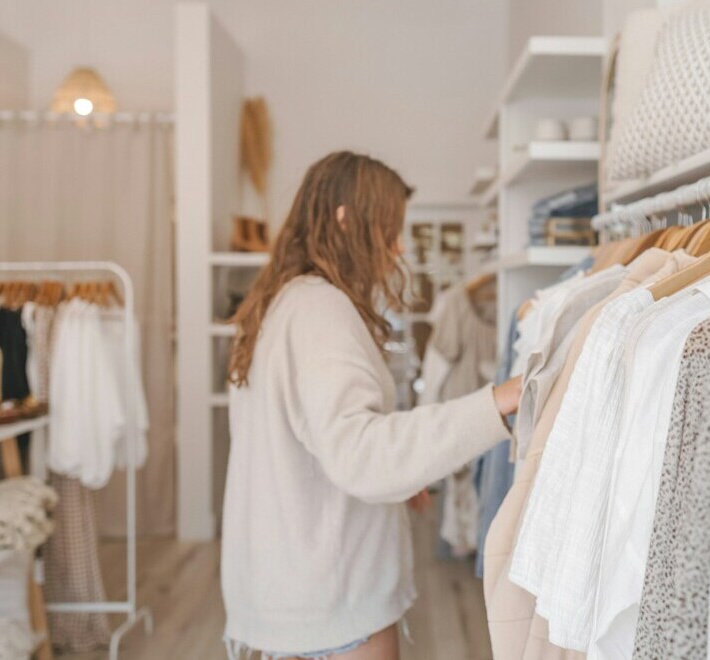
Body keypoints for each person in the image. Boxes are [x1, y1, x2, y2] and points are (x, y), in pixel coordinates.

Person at [222, 151, 521, 660]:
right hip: (330, 597)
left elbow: (317, 437)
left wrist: (403, 475)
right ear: (346, 220)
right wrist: (494, 404)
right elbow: (361, 453)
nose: (399, 246)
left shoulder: (283, 302)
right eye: (389, 229)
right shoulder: (319, 309)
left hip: (286, 587)